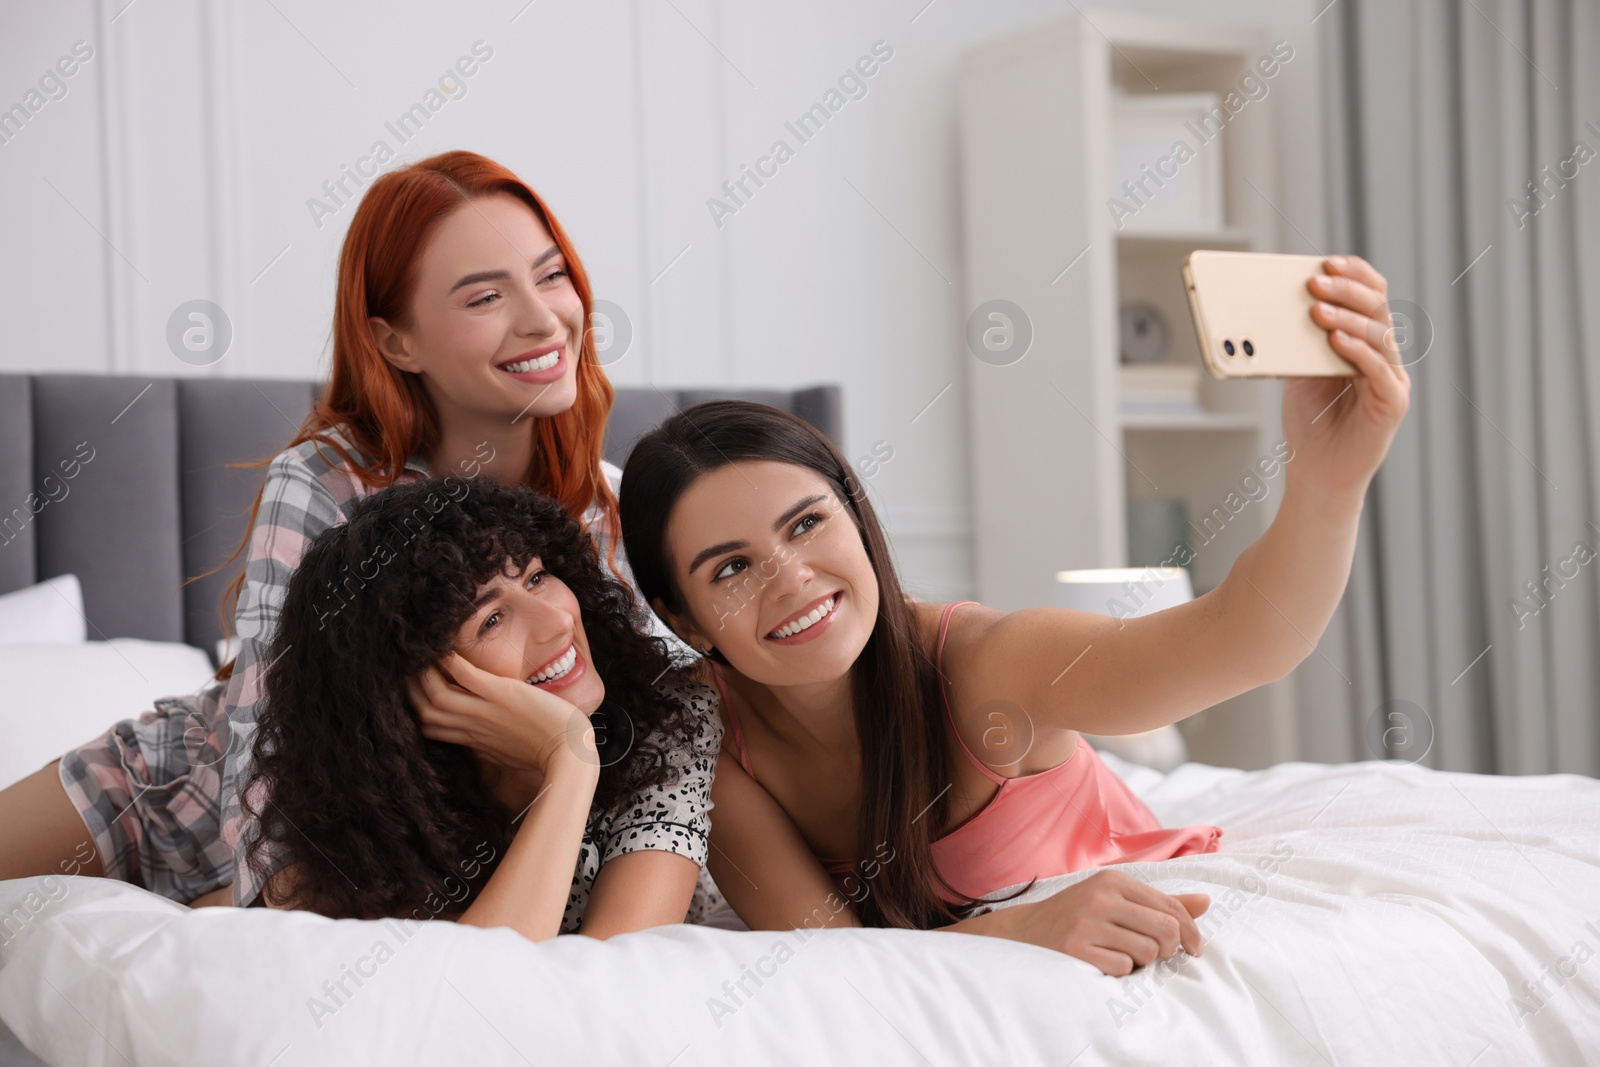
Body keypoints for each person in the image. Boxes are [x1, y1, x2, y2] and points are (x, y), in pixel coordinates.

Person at [619, 255, 1411, 975]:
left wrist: (1327, 483)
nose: (791, 578)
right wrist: (1019, 932)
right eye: (730, 567)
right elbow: (829, 958)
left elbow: (1240, 639)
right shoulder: (709, 744)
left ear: (857, 520)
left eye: (806, 524)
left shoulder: (986, 663)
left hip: (1153, 922)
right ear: (684, 619)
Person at [0, 150, 644, 910]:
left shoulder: (613, 512)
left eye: (552, 275)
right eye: (484, 297)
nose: (543, 319)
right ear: (395, 341)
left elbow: (665, 726)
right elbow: (262, 725)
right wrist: (278, 906)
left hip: (409, 845)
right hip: (184, 789)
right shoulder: (330, 478)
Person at [243, 478, 720, 937]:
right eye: (491, 620)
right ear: (417, 684)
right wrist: (568, 762)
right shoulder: (364, 837)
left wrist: (570, 758)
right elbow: (477, 991)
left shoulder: (669, 724)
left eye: (536, 578)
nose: (557, 621)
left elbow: (606, 975)